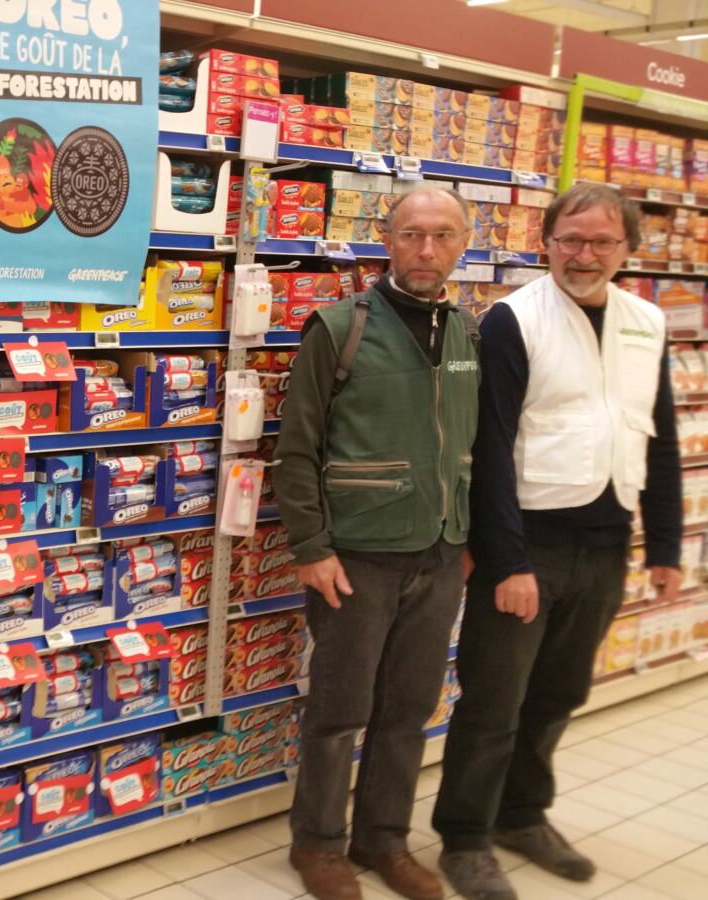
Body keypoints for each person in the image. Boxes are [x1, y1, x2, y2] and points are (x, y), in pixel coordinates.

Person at [432, 183, 682, 900]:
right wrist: (506, 561)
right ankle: (466, 836)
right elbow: (490, 445)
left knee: (560, 693)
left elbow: (658, 439)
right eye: (571, 239)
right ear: (546, 241)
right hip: (529, 543)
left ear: (628, 249)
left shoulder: (645, 322)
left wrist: (664, 548)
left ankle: (522, 815)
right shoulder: (515, 319)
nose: (585, 254)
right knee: (494, 700)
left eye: (603, 242)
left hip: (608, 540)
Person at [274, 187, 480, 900]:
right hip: (356, 557)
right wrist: (311, 547)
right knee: (339, 710)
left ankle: (384, 840)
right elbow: (296, 451)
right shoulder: (339, 328)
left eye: (443, 236)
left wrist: (468, 534)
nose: (427, 250)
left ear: (464, 244)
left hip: (440, 553)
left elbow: (473, 445)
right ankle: (320, 846)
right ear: (385, 240)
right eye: (412, 235)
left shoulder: (467, 332)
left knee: (409, 709)